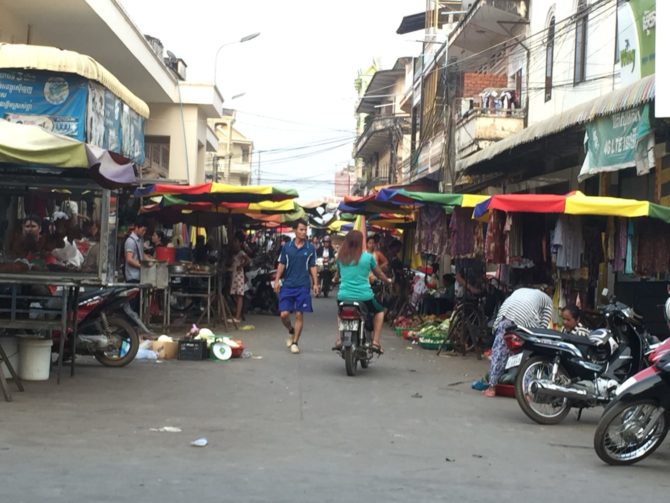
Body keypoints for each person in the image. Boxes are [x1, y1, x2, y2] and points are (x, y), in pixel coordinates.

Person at [483, 287, 553, 397]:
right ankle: (526, 393)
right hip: (526, 321)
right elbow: (543, 327)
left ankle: (492, 388)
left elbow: (502, 309)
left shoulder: (519, 291)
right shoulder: (548, 301)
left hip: (506, 317)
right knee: (529, 356)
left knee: (499, 353)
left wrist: (496, 329)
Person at [334, 230, 393, 353]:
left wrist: (335, 279)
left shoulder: (341, 258)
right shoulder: (367, 257)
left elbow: (337, 276)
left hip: (343, 296)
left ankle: (340, 338)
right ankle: (376, 342)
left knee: (340, 312)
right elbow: (379, 274)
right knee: (380, 311)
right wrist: (387, 281)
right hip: (364, 297)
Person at [274, 219, 318, 354]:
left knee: (299, 314)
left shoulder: (310, 248)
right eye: (301, 229)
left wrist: (315, 283)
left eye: (305, 230)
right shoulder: (287, 247)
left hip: (303, 286)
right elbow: (281, 264)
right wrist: (276, 280)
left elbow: (313, 266)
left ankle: (295, 342)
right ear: (295, 230)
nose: (304, 232)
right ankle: (290, 330)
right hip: (288, 285)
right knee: (284, 314)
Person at [229, 236, 250, 323]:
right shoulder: (235, 253)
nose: (234, 244)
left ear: (240, 243)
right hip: (235, 276)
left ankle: (237, 317)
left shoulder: (241, 253)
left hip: (239, 276)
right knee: (234, 294)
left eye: (236, 242)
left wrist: (241, 266)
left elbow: (248, 260)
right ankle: (238, 312)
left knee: (239, 295)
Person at [124, 219, 149, 283]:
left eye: (145, 230)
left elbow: (141, 253)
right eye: (143, 230)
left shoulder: (140, 240)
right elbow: (129, 259)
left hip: (140, 275)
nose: (144, 232)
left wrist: (151, 261)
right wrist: (142, 266)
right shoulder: (130, 241)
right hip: (132, 276)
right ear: (136, 228)